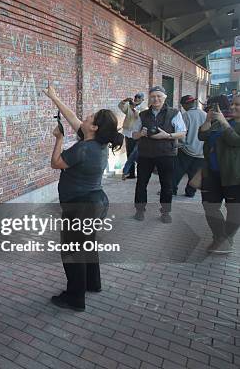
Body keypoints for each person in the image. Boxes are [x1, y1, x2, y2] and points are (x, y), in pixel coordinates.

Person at [44, 84, 124, 311]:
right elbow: (72, 119)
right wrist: (55, 97)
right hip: (95, 203)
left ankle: (75, 298)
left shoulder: (84, 149)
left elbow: (56, 163)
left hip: (80, 207)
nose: (85, 117)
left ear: (95, 127)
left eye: (90, 118)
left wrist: (58, 138)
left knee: (71, 253)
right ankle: (92, 283)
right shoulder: (97, 143)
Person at [131, 86, 187, 224]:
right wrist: (141, 134)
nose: (156, 99)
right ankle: (139, 210)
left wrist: (167, 135)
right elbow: (133, 135)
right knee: (141, 183)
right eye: (153, 96)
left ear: (165, 97)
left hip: (166, 153)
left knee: (167, 184)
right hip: (145, 154)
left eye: (159, 96)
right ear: (149, 98)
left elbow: (182, 132)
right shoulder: (143, 115)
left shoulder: (174, 113)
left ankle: (166, 212)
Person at [198, 94, 240, 254]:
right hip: (212, 173)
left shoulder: (225, 122)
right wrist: (208, 120)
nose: (234, 107)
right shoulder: (222, 121)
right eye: (233, 104)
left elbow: (236, 141)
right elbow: (202, 135)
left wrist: (223, 122)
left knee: (235, 210)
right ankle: (220, 237)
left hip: (234, 175)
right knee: (209, 206)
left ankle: (225, 240)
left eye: (238, 105)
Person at [172, 95, 206, 197]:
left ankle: (172, 190)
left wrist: (179, 145)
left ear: (185, 105)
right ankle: (190, 192)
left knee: (177, 171)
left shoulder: (186, 115)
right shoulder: (205, 114)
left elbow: (182, 132)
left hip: (187, 149)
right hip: (201, 151)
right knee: (194, 174)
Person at [119, 92, 145, 179]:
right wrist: (126, 101)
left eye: (139, 98)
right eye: (136, 97)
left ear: (142, 100)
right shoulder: (129, 107)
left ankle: (141, 171)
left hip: (138, 134)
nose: (136, 99)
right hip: (128, 133)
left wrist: (135, 108)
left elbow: (138, 116)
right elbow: (121, 106)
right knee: (129, 153)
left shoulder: (144, 108)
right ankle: (131, 173)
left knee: (137, 154)